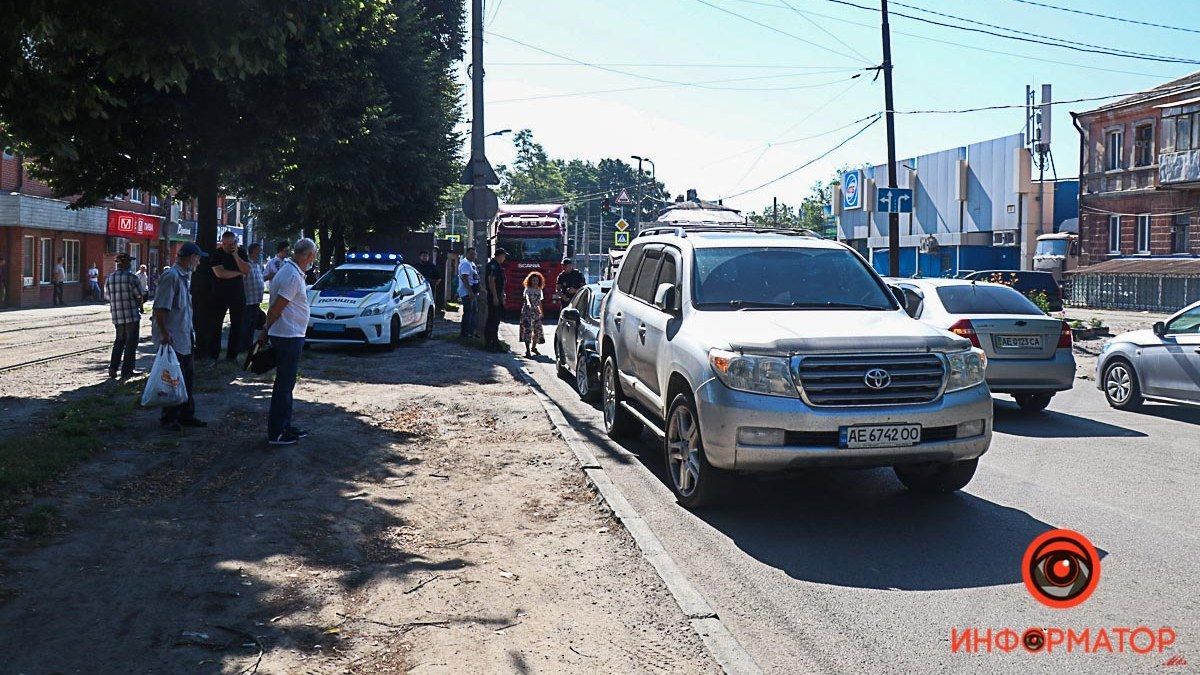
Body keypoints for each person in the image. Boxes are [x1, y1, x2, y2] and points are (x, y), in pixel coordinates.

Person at [259, 237, 316, 446]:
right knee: (284, 384)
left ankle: (285, 425)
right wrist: (265, 329)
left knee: (287, 383)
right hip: (288, 335)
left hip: (289, 334)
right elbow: (276, 308)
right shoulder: (292, 275)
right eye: (314, 255)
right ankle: (277, 432)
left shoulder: (289, 270)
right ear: (309, 256)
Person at [153, 243, 207, 431]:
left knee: (186, 378)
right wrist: (164, 333)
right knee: (173, 380)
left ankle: (186, 415)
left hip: (184, 337)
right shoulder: (171, 277)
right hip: (173, 339)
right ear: (190, 257)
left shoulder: (184, 277)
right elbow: (160, 308)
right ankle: (169, 418)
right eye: (198, 258)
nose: (199, 262)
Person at [208, 231, 250, 361]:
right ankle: (213, 354)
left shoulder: (241, 252)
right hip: (219, 294)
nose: (228, 247)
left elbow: (247, 270)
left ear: (235, 243)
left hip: (237, 294)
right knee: (216, 324)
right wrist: (238, 273)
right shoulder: (217, 254)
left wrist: (236, 256)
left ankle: (232, 355)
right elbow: (220, 273)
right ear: (222, 243)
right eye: (225, 244)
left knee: (237, 325)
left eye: (231, 244)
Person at [104, 254, 143, 379]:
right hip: (131, 315)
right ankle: (127, 371)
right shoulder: (132, 278)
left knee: (119, 341)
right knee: (131, 343)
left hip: (117, 315)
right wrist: (140, 305)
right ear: (126, 264)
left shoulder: (110, 278)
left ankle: (113, 368)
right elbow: (139, 295)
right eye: (130, 262)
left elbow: (108, 297)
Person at [240, 242, 266, 352]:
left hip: (256, 301)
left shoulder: (256, 264)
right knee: (245, 326)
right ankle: (242, 347)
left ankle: (248, 346)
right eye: (258, 251)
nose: (260, 253)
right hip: (248, 301)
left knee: (252, 326)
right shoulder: (246, 264)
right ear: (252, 251)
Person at [483, 248, 507, 351]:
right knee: (492, 320)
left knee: (496, 320)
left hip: (497, 295)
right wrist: (495, 296)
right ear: (499, 256)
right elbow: (491, 281)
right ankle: (489, 343)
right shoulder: (493, 265)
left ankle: (495, 342)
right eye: (504, 256)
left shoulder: (498, 266)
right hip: (493, 296)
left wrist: (502, 294)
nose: (504, 258)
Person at [519, 271, 546, 357]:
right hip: (527, 312)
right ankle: (527, 350)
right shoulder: (527, 289)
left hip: (536, 312)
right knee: (528, 330)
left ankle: (534, 348)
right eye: (533, 280)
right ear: (530, 281)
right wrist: (529, 304)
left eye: (537, 281)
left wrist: (541, 312)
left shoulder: (539, 290)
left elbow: (540, 302)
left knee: (537, 330)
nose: (535, 282)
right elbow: (526, 297)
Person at [457, 247, 480, 339]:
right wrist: (470, 292)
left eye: (474, 254)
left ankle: (471, 332)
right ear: (466, 254)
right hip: (467, 292)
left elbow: (475, 278)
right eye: (471, 254)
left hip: (473, 292)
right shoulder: (465, 263)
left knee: (473, 311)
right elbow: (465, 278)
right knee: (468, 312)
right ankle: (465, 334)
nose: (473, 256)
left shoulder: (472, 263)